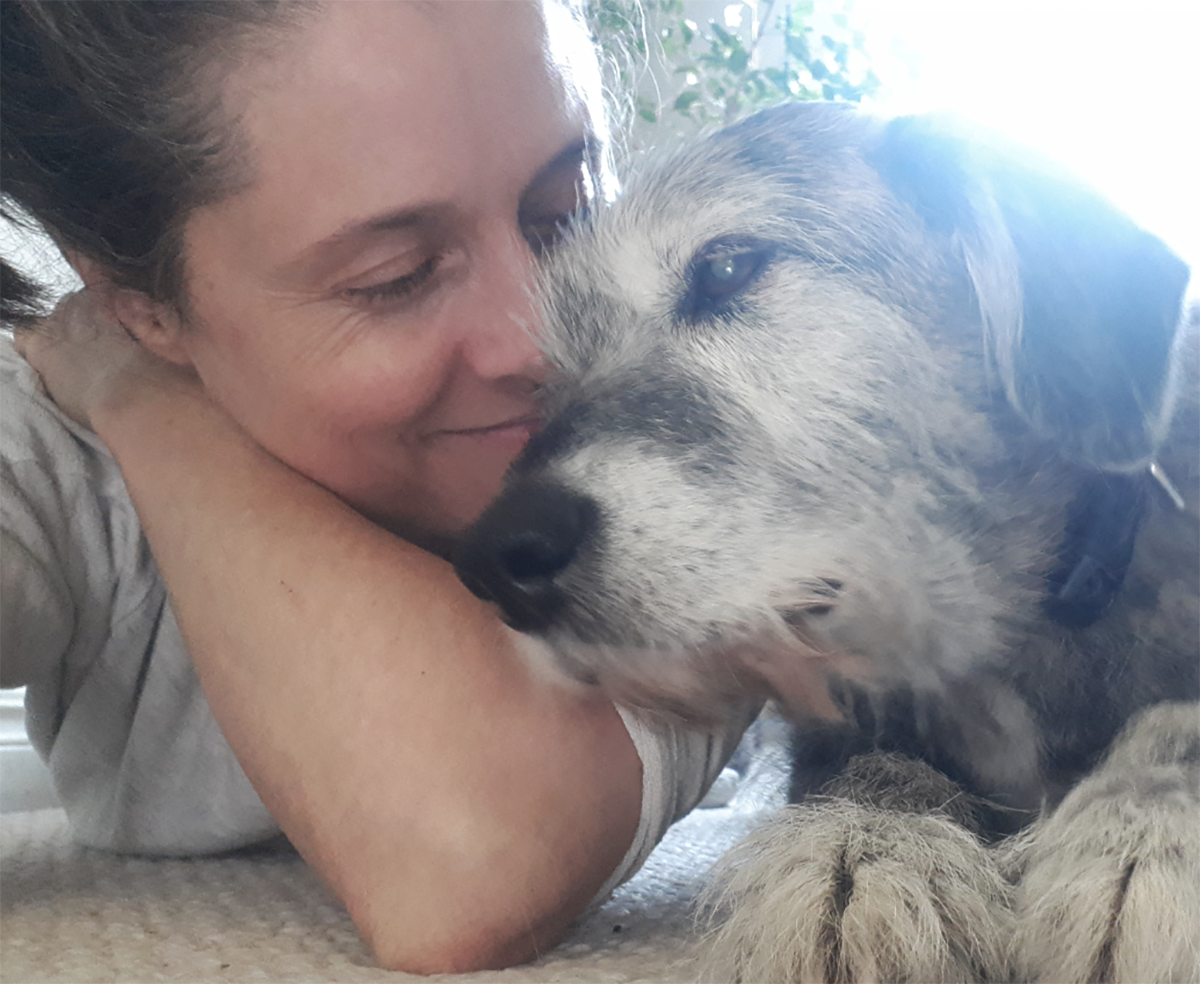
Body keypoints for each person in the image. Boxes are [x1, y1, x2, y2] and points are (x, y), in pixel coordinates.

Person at [0, 1, 755, 972]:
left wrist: (137, 397)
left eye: (566, 212)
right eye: (396, 276)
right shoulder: (47, 450)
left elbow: (478, 851)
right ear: (143, 307)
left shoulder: (707, 398)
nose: (547, 338)